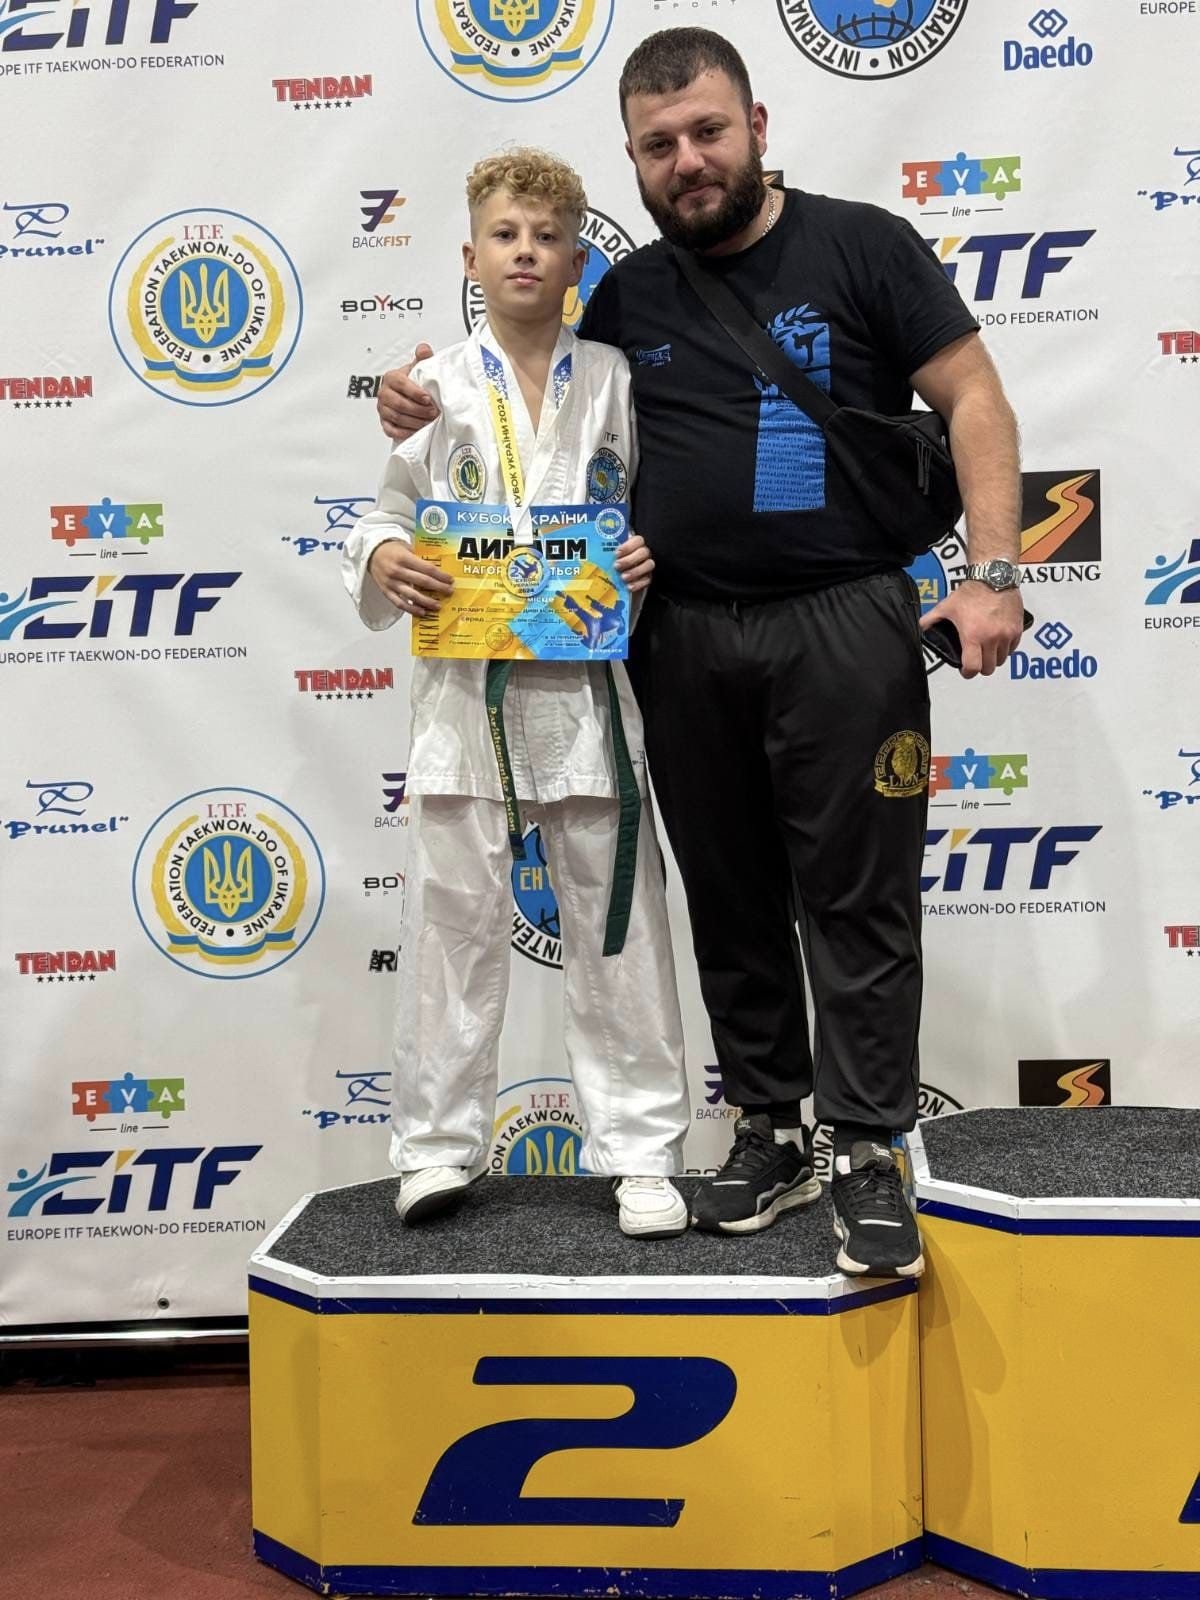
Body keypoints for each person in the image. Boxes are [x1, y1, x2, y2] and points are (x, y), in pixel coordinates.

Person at [376, 31, 1024, 1279]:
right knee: (728, 899)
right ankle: (770, 1129)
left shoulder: (865, 246)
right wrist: (408, 402)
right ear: (634, 159)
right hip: (682, 637)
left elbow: (976, 399)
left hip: (844, 619)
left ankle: (868, 1148)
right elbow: (530, 407)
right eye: (659, 144)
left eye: (708, 132)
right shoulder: (627, 298)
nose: (688, 160)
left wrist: (993, 574)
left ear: (758, 125)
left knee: (858, 897)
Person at [344, 148, 691, 1239]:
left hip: (586, 695)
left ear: (579, 261)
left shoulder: (619, 378)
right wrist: (383, 557)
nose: (526, 252)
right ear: (471, 256)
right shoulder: (434, 387)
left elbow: (657, 507)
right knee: (450, 927)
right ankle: (435, 1148)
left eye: (547, 238)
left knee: (620, 929)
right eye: (506, 236)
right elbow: (386, 513)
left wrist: (643, 554)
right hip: (464, 698)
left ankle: (643, 1152)